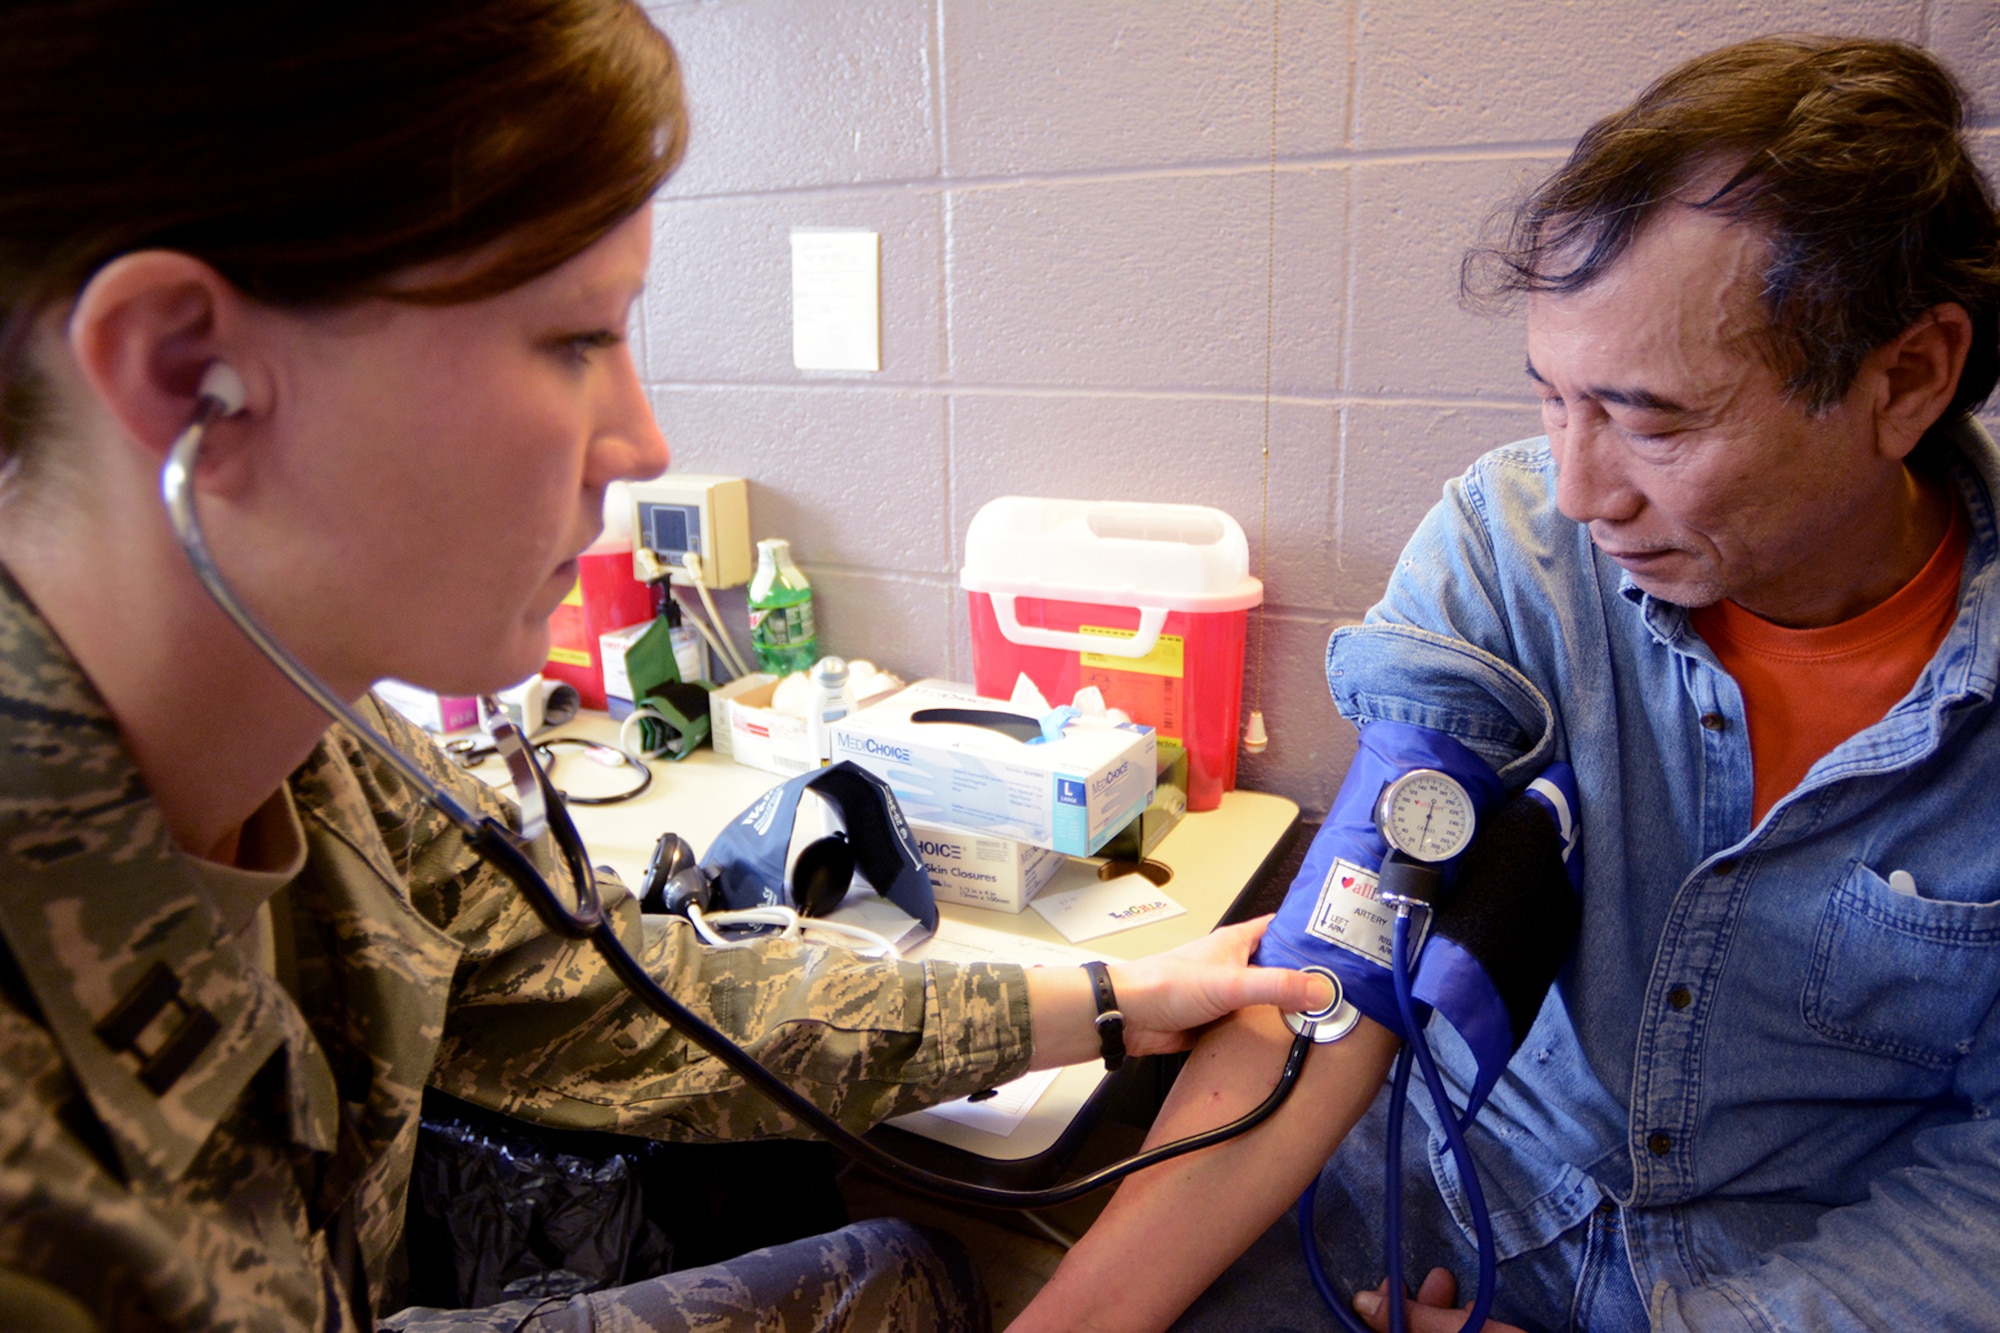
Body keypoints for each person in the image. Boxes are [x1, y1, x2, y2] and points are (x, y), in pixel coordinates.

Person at [0, 4, 1335, 1330]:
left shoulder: (327, 755)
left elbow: (617, 996)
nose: (641, 439)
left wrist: (1113, 999)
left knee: (912, 1274)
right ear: (190, 375)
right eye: (574, 338)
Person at [1013, 35, 2000, 1333]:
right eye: (1554, 403)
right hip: (1462, 1180)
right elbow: (1348, 948)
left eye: (1655, 422)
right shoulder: (1513, 544)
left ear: (1908, 378)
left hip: (1802, 1269)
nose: (1584, 492)